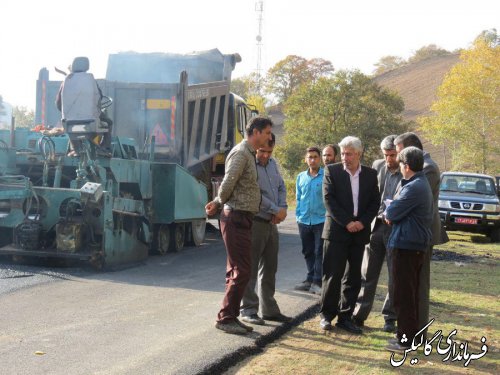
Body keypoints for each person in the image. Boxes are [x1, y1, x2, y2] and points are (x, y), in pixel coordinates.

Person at [206, 116, 273, 335]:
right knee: (243, 270)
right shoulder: (241, 153)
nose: (269, 136)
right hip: (235, 217)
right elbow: (227, 183)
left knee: (236, 270)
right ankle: (226, 318)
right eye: (266, 132)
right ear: (255, 131)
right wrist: (217, 202)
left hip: (242, 218)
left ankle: (230, 316)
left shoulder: (249, 154)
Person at [320, 136, 380, 334]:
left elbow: (374, 202)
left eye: (349, 154)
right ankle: (327, 316)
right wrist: (347, 222)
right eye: (343, 153)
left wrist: (361, 222)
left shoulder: (371, 175)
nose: (345, 157)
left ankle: (346, 317)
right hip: (337, 231)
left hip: (359, 233)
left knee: (353, 277)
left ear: (359, 154)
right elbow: (329, 200)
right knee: (332, 275)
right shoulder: (332, 171)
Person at [393, 132, 446, 339]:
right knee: (408, 286)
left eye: (399, 153)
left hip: (419, 235)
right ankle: (410, 328)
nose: (397, 159)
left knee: (417, 286)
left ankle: (418, 332)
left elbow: (411, 202)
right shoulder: (419, 169)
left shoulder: (427, 168)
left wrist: (394, 209)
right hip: (411, 233)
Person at [240, 133, 291, 325]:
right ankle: (248, 310)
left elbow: (280, 187)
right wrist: (275, 210)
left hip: (272, 224)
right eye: (262, 151)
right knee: (250, 268)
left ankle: (269, 309)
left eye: (269, 152)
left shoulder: (272, 164)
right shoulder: (249, 163)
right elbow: (254, 194)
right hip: (255, 222)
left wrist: (283, 208)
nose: (265, 155)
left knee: (270, 268)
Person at [385, 146, 433, 350]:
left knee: (403, 295)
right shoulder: (418, 183)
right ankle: (408, 337)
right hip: (410, 244)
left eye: (400, 163)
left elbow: (392, 212)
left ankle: (405, 341)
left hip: (406, 246)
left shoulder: (414, 186)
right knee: (408, 294)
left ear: (406, 166)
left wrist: (390, 211)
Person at [352, 135, 401, 332]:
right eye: (386, 155)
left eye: (392, 155)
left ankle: (390, 317)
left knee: (394, 276)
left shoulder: (408, 169)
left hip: (396, 228)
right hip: (375, 226)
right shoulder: (377, 166)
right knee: (367, 273)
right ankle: (359, 314)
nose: (389, 159)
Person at [294, 146, 326, 295]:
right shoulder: (301, 177)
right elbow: (298, 198)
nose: (312, 160)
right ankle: (310, 278)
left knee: (319, 251)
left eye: (315, 157)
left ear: (320, 159)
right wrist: (298, 216)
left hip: (321, 220)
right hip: (304, 220)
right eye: (310, 157)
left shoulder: (326, 176)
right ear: (306, 159)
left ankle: (317, 282)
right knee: (307, 251)